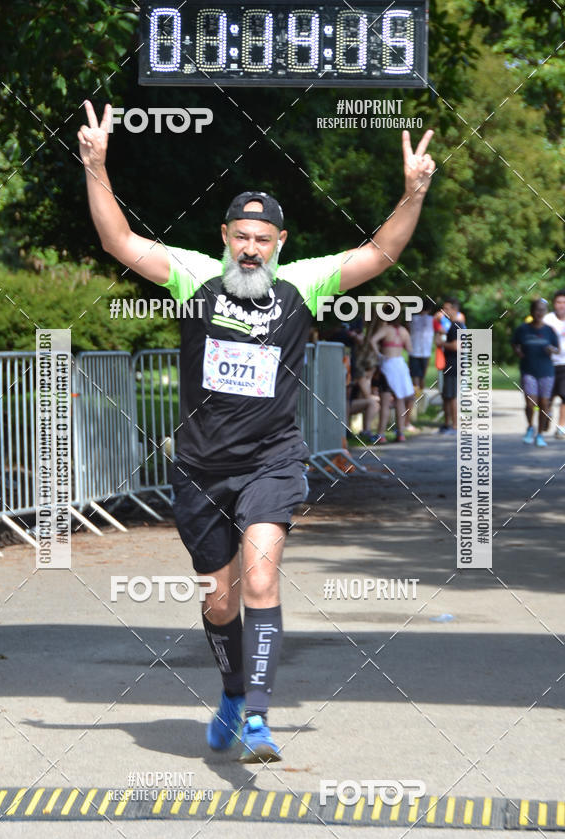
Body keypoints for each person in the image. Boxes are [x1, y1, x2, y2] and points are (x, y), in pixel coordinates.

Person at [78, 100, 435, 763]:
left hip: (272, 462)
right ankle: (235, 695)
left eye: (261, 238)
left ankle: (260, 722)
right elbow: (118, 243)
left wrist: (412, 193)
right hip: (200, 468)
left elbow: (381, 250)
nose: (250, 247)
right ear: (225, 236)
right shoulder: (195, 278)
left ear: (280, 244)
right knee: (220, 600)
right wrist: (97, 166)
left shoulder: (304, 285)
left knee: (263, 582)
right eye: (241, 236)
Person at [512, 298, 559, 447]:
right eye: (537, 310)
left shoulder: (549, 330)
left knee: (544, 403)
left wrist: (552, 350)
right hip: (528, 370)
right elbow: (514, 343)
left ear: (545, 312)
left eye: (542, 310)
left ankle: (540, 434)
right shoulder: (522, 329)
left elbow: (557, 349)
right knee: (530, 403)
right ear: (532, 311)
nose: (539, 313)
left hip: (546, 371)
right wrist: (517, 350)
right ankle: (530, 427)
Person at [369, 312, 415, 443]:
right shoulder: (403, 331)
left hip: (388, 365)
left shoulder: (385, 329)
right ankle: (400, 433)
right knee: (400, 400)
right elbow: (410, 348)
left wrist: (378, 354)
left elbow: (372, 340)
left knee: (385, 402)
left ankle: (380, 435)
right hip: (400, 366)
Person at [437, 298, 465, 434]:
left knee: (451, 395)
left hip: (453, 365)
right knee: (446, 395)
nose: (444, 311)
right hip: (451, 364)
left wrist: (441, 344)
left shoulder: (456, 326)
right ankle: (447, 423)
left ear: (454, 309)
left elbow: (456, 346)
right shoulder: (455, 326)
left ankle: (454, 425)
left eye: (447, 308)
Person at [543, 289, 565, 438]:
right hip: (548, 365)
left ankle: (561, 427)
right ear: (554, 304)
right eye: (558, 302)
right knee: (546, 398)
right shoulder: (547, 320)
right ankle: (547, 413)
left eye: (564, 302)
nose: (561, 305)